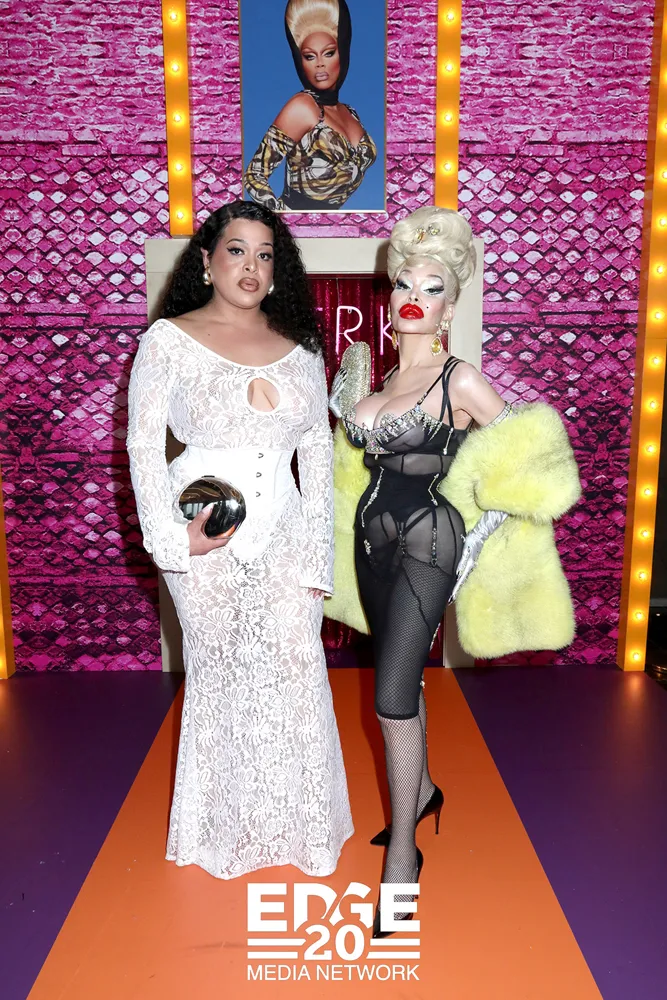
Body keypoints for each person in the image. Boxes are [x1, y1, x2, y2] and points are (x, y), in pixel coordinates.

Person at [327, 205, 580, 936]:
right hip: (370, 547)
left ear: (450, 303)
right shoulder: (375, 381)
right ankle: (426, 788)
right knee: (398, 677)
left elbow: (527, 463)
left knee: (389, 700)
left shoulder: (459, 379)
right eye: (405, 282)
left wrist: (475, 540)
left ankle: (403, 856)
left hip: (427, 545)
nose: (415, 295)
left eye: (432, 286)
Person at [126, 200, 353, 879]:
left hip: (286, 537)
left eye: (264, 254)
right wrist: (171, 542)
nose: (250, 266)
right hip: (203, 537)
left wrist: (316, 556)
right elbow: (143, 446)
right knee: (221, 672)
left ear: (277, 270)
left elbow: (316, 452)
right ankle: (222, 835)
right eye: (236, 250)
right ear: (206, 261)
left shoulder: (302, 348)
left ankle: (301, 833)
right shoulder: (169, 340)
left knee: (296, 670)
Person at [244, 0, 377, 212]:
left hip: (337, 227)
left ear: (343, 52)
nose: (319, 63)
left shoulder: (350, 112)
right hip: (296, 226)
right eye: (309, 56)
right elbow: (254, 175)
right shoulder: (302, 106)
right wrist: (283, 220)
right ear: (300, 61)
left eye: (329, 53)